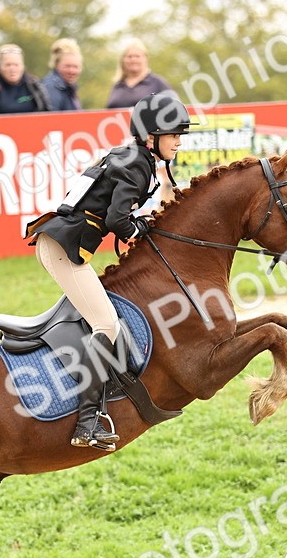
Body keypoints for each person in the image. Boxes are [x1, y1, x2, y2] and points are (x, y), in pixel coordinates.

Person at [24, 92, 191, 452]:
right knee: (106, 324)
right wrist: (137, 228)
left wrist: (137, 223)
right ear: (151, 136)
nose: (179, 141)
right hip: (62, 247)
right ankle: (87, 423)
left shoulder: (131, 155)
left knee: (103, 318)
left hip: (63, 241)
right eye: (174, 134)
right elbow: (117, 219)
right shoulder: (138, 164)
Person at [0, 44, 50, 115]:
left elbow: (46, 113)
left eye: (16, 65)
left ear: (23, 66)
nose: (12, 69)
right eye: (8, 65)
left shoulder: (35, 85)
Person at [106, 39, 172, 108]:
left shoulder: (157, 83)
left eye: (137, 56)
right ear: (123, 60)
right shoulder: (118, 86)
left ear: (145, 59)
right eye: (129, 56)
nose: (133, 60)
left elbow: (173, 108)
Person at [42, 38, 83, 111]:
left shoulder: (69, 88)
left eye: (75, 67)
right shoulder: (50, 88)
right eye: (67, 66)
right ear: (56, 64)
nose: (72, 71)